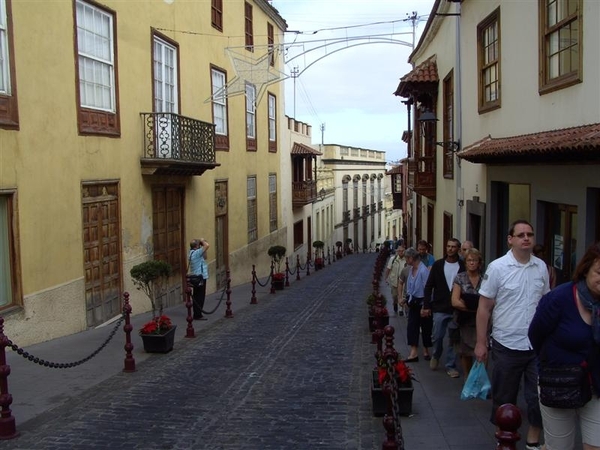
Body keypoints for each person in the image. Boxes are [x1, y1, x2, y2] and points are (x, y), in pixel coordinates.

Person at [475, 219, 550, 450]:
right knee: (504, 398)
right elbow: (484, 307)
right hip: (506, 346)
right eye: (520, 235)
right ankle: (504, 437)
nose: (526, 238)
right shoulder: (497, 268)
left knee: (538, 399)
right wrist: (480, 342)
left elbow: (545, 304)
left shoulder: (541, 267)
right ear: (510, 240)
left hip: (535, 347)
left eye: (529, 234)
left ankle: (533, 440)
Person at [528, 242, 600, 450]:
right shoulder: (559, 298)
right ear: (586, 269)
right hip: (559, 382)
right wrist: (550, 367)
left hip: (595, 385)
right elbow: (536, 335)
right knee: (560, 447)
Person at [422, 238, 465, 378]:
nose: (450, 249)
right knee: (437, 336)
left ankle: (450, 365)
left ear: (458, 249)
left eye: (453, 247)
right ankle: (436, 354)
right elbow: (429, 286)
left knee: (453, 338)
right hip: (440, 306)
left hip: (456, 309)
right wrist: (427, 305)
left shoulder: (462, 266)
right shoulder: (438, 265)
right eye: (448, 246)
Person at [451, 247, 483, 377]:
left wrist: (469, 303)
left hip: (481, 321)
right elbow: (455, 301)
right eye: (469, 260)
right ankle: (468, 378)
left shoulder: (485, 278)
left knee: (482, 352)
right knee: (465, 352)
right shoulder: (460, 278)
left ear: (479, 263)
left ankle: (480, 380)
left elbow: (490, 301)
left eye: (474, 260)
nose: (472, 263)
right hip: (464, 321)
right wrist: (477, 307)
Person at [400, 247, 432, 362]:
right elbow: (410, 286)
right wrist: (406, 298)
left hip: (422, 302)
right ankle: (413, 352)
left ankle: (426, 350)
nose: (406, 260)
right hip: (413, 302)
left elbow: (427, 289)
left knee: (425, 327)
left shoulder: (423, 271)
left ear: (411, 258)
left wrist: (425, 306)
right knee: (412, 326)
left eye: (406, 258)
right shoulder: (411, 269)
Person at [188, 238, 209, 320]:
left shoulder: (191, 252)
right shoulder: (196, 253)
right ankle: (198, 314)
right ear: (197, 246)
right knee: (200, 296)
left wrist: (202, 247)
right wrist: (203, 241)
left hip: (197, 277)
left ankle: (197, 313)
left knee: (197, 295)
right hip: (200, 277)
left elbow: (205, 257)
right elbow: (207, 245)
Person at [385, 245, 406, 315]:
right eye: (399, 251)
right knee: (394, 296)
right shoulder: (393, 259)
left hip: (403, 281)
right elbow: (388, 268)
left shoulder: (406, 259)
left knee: (402, 294)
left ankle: (400, 309)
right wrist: (386, 277)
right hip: (394, 280)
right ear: (397, 251)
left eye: (402, 251)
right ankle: (395, 303)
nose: (401, 252)